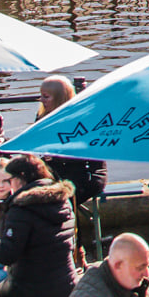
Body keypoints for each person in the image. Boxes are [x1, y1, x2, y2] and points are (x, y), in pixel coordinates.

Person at [0, 153, 78, 297]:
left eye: (9, 179)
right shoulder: (63, 201)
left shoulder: (21, 208)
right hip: (66, 287)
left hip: (30, 293)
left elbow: (6, 255)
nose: (8, 185)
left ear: (21, 179)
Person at [37, 75, 106, 208]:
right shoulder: (43, 116)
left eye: (46, 97)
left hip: (87, 174)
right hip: (58, 170)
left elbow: (89, 154)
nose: (41, 100)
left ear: (59, 98)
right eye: (41, 96)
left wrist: (57, 155)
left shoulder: (83, 119)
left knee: (57, 201)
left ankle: (67, 225)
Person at [63, 235, 149, 297]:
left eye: (147, 266)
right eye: (140, 268)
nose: (147, 274)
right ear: (118, 265)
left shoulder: (131, 281)